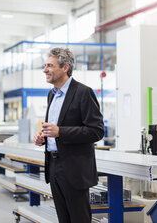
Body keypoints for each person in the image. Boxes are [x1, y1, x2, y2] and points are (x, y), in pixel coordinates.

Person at [34, 47, 104, 223]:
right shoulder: (52, 95)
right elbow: (55, 130)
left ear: (65, 67)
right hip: (54, 166)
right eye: (45, 65)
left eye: (50, 65)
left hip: (74, 169)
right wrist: (44, 137)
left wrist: (60, 132)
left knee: (79, 219)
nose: (45, 70)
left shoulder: (83, 92)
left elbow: (96, 130)